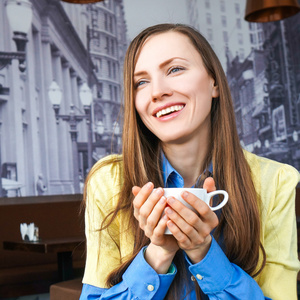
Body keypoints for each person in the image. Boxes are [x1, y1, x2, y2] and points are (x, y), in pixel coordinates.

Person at [79, 24, 300, 300]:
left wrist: (203, 253)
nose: (157, 91)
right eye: (141, 82)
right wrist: (158, 253)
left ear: (214, 83)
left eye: (175, 69)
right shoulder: (109, 181)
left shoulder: (275, 181)